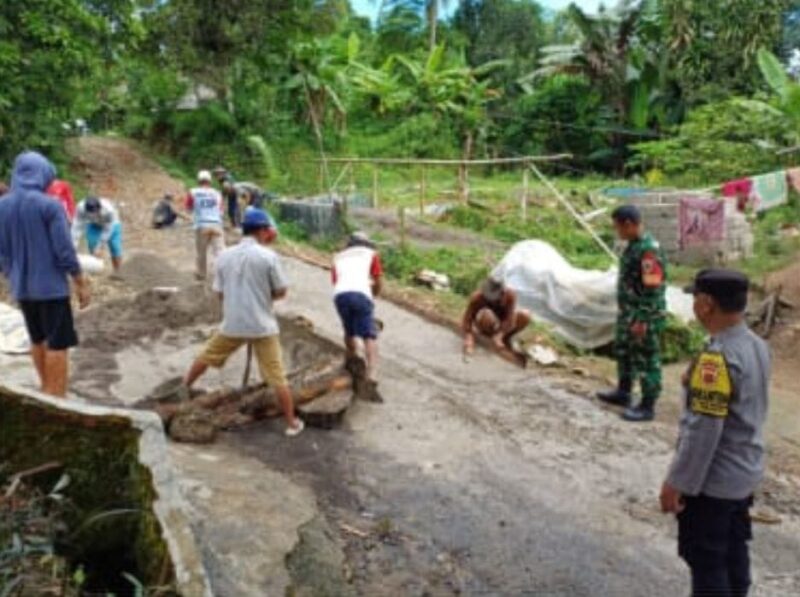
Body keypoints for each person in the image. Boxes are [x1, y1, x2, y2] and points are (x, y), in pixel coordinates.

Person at [660, 269, 769, 597]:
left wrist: (677, 483)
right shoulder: (756, 345)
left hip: (713, 483)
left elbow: (703, 432)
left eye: (695, 298)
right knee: (734, 553)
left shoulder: (717, 358)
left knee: (707, 562)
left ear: (706, 304)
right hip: (743, 473)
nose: (694, 305)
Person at [182, 208, 304, 436]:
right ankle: (291, 423)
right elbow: (281, 292)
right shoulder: (268, 256)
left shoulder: (224, 256)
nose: (270, 233)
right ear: (262, 230)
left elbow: (219, 293)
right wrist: (261, 296)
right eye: (268, 229)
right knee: (277, 375)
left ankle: (183, 389)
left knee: (206, 355)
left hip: (233, 323)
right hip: (262, 325)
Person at [0, 151, 90, 397]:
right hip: (50, 288)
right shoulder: (49, 206)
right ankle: (57, 397)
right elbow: (64, 250)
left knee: (37, 338)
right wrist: (80, 281)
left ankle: (45, 388)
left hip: (22, 288)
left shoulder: (2, 206)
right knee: (57, 343)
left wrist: (12, 273)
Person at [597, 205, 667, 422]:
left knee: (647, 359)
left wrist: (642, 319)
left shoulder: (648, 250)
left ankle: (647, 406)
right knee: (625, 352)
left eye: (617, 227)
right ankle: (624, 392)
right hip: (628, 313)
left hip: (644, 316)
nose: (616, 231)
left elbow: (654, 287)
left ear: (628, 224)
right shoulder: (633, 246)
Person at [332, 231, 383, 386]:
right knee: (369, 335)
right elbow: (378, 279)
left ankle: (354, 360)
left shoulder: (338, 257)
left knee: (349, 331)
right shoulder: (371, 254)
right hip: (361, 294)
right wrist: (372, 295)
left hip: (340, 295)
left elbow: (336, 281)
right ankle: (372, 373)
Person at [462, 276, 530, 357]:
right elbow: (467, 319)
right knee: (486, 314)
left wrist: (500, 335)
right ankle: (487, 335)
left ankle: (505, 338)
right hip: (487, 323)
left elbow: (510, 319)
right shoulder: (477, 297)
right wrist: (469, 337)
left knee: (525, 315)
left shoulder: (510, 296)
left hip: (501, 325)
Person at [185, 170, 225, 281]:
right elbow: (221, 211)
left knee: (201, 252)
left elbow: (188, 208)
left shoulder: (193, 192)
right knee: (219, 251)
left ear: (199, 181)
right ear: (210, 181)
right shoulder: (217, 193)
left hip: (202, 225)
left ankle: (201, 275)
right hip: (216, 225)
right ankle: (221, 275)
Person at [72, 196, 124, 272]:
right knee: (92, 243)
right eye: (91, 213)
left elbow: (108, 229)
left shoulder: (109, 210)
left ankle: (118, 271)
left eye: (95, 212)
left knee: (115, 247)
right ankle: (94, 268)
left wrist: (100, 246)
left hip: (112, 224)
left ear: (99, 208)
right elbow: (76, 228)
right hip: (93, 224)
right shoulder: (80, 208)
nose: (93, 214)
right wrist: (73, 246)